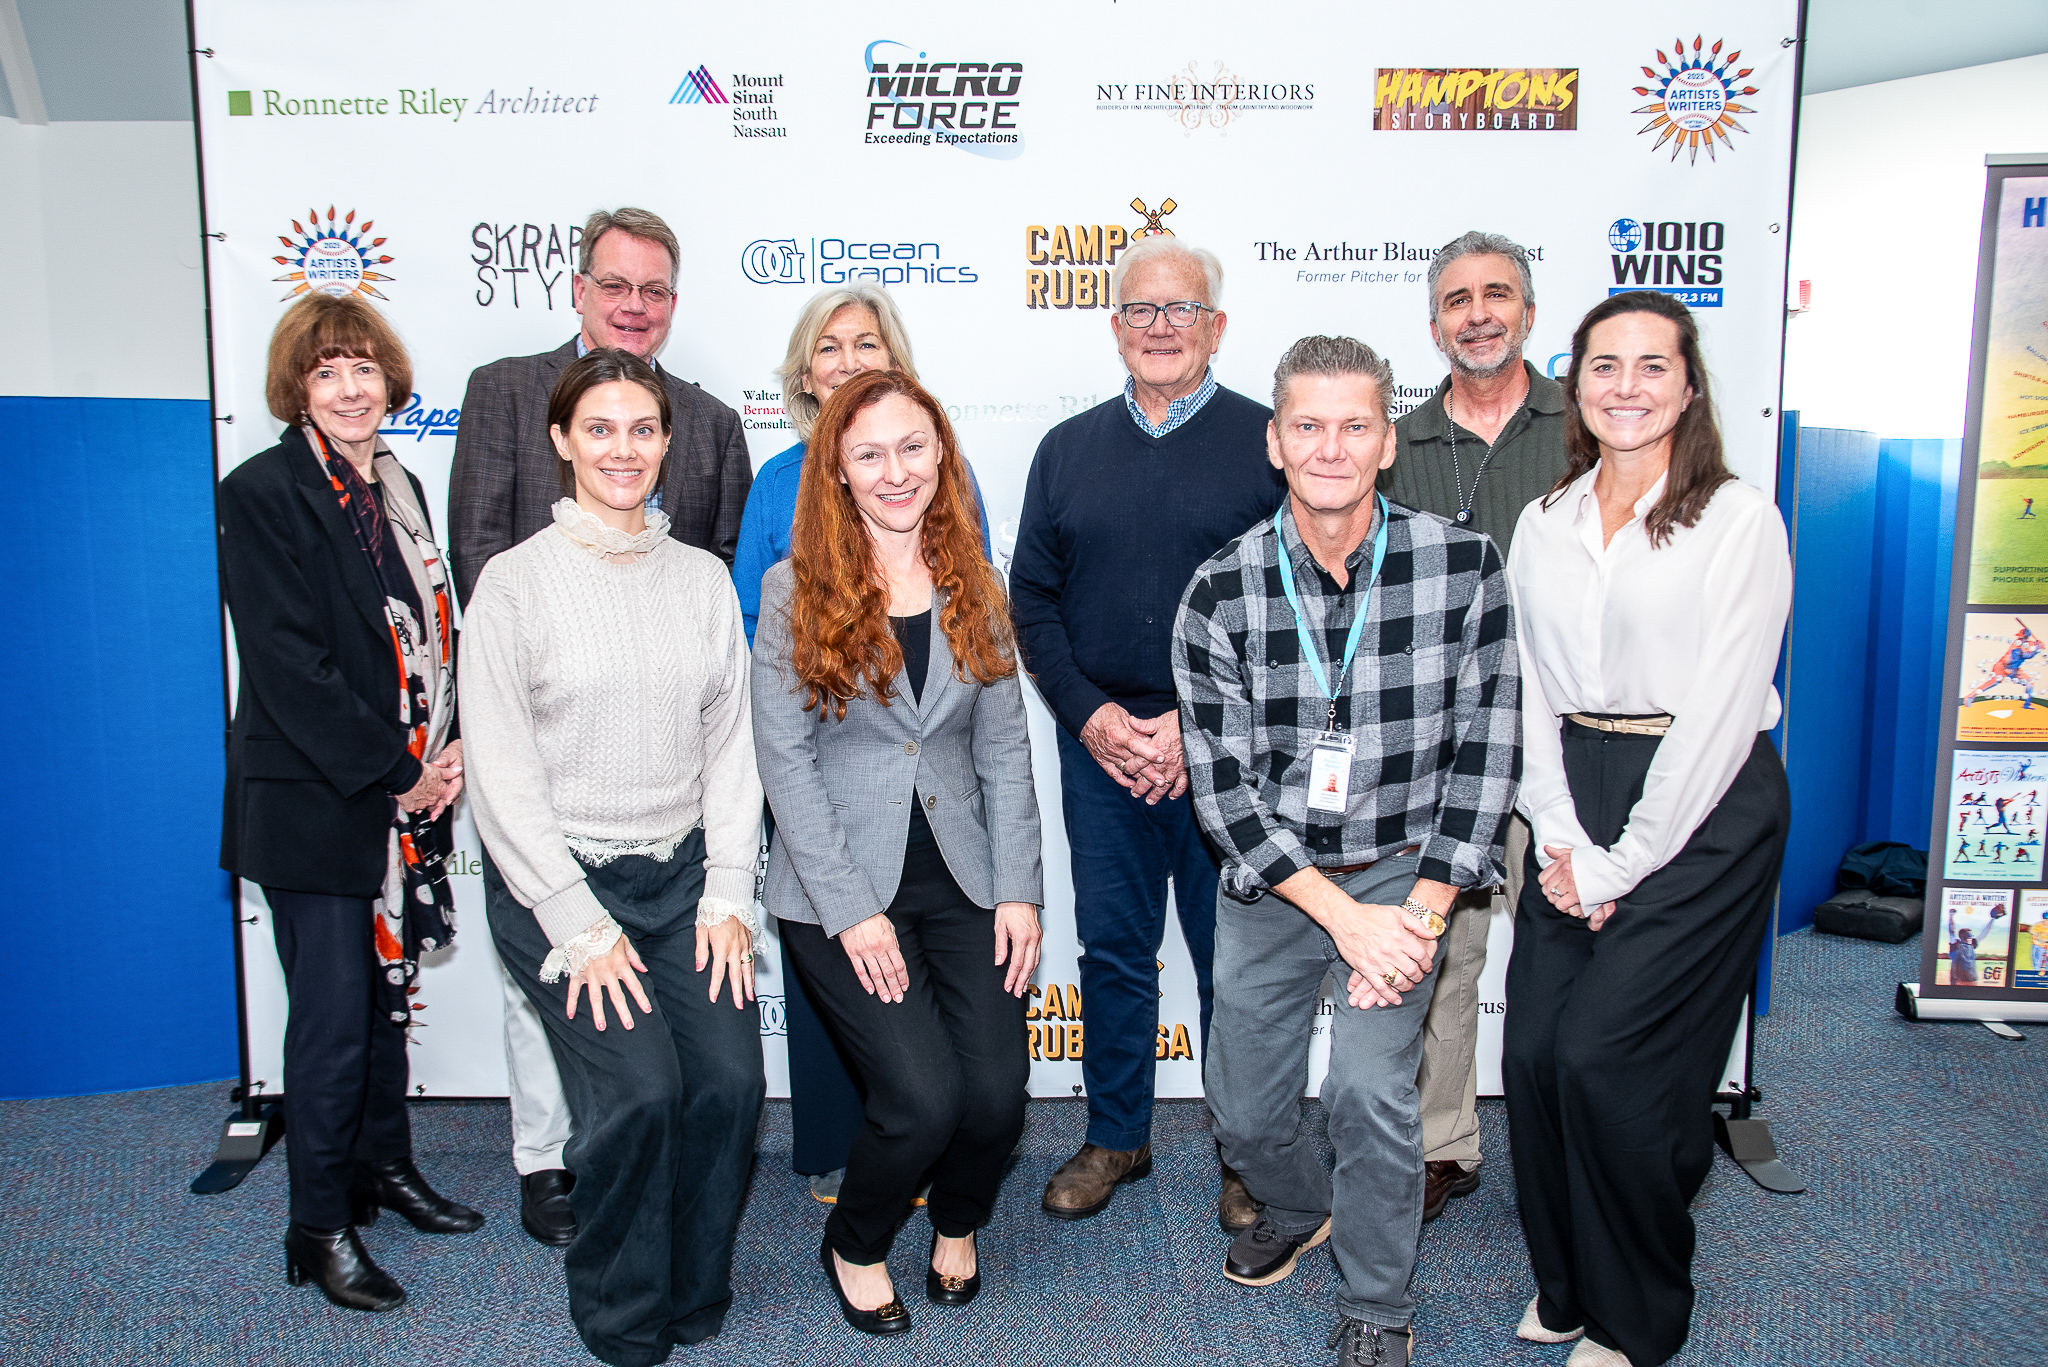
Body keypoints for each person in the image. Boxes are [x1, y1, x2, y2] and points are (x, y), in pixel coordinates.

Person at [1175, 336, 1520, 1367]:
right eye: (1308, 426)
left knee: (1373, 1091)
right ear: (1275, 441)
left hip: (1405, 870)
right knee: (1239, 1105)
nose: (1330, 446)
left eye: (1354, 425)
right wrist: (1345, 918)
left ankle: (1379, 1297)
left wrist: (1411, 915)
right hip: (1277, 879)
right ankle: (1294, 1197)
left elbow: (1485, 753)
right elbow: (1224, 795)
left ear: (1385, 439)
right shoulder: (1219, 591)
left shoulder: (1463, 565)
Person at [448, 206, 753, 1247]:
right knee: (554, 995)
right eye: (615, 284)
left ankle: (643, 1185)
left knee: (677, 1055)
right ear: (578, 288)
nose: (633, 305)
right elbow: (478, 545)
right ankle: (546, 1161)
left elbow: (709, 578)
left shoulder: (710, 420)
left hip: (662, 759)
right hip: (543, 738)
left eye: (654, 290)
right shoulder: (504, 390)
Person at [1503, 290, 1792, 1367]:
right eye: (1603, 365)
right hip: (1573, 792)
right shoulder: (1544, 520)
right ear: (1573, 383)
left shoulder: (1734, 519)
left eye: (1650, 366)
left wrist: (1621, 860)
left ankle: (1636, 1314)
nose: (1625, 386)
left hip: (1704, 804)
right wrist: (1559, 830)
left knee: (1603, 1055)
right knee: (1532, 1051)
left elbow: (1719, 714)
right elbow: (1527, 687)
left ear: (1688, 384)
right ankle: (1567, 1282)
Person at [753, 368, 1043, 1336]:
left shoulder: (977, 583)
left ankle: (957, 1223)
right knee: (919, 1100)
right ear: (835, 469)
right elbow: (783, 761)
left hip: (964, 875)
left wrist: (1019, 891)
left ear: (941, 455)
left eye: (912, 447)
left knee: (997, 1095)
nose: (894, 470)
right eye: (868, 452)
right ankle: (858, 1240)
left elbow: (1003, 747)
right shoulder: (793, 588)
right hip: (840, 888)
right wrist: (850, 908)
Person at [1010, 235, 1285, 1229]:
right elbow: (1032, 600)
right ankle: (1116, 1133)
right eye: (1141, 309)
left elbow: (1293, 611)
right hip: (1101, 754)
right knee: (1113, 951)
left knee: (1234, 960)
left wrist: (1195, 727)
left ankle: (1245, 1152)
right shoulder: (1066, 449)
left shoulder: (1269, 443)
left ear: (1214, 324)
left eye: (1181, 309)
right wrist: (1091, 718)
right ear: (1113, 324)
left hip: (1228, 756)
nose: (1160, 326)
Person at [217, 292, 481, 1314]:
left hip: (400, 797)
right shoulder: (264, 490)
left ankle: (383, 1169)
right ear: (297, 387)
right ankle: (316, 1228)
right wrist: (399, 768)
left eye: (364, 366)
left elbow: (430, 630)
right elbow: (291, 667)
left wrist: (446, 740)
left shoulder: (399, 484)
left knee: (381, 1003)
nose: (350, 386)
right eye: (327, 370)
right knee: (329, 1022)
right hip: (319, 802)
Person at [730, 285, 988, 1207]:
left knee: (944, 1033)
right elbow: (756, 616)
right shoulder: (778, 482)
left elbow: (972, 626)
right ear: (807, 373)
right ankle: (852, 1156)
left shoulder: (940, 474)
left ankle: (920, 1143)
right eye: (829, 347)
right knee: (840, 970)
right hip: (821, 745)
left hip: (928, 782)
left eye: (865, 342)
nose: (847, 359)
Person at [1378, 230, 1567, 1222]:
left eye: (1497, 294)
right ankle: (1440, 1143)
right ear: (1433, 323)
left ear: (1528, 312)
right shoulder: (1396, 446)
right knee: (1439, 955)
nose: (1478, 313)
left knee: (1568, 950)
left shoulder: (1584, 427)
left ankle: (1569, 1132)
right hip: (1443, 756)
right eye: (1457, 299)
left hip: (1567, 746)